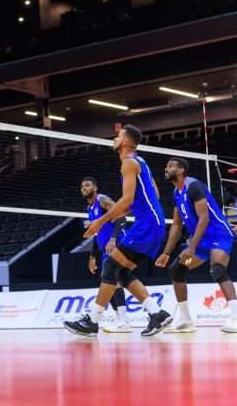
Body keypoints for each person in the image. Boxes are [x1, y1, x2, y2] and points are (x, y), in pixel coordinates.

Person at [65, 125, 172, 337]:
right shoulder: (140, 162)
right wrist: (139, 207)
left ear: (127, 142)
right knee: (121, 272)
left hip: (147, 223)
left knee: (110, 267)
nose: (115, 138)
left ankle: (92, 321)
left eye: (119, 135)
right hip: (153, 222)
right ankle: (157, 313)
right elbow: (155, 193)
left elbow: (127, 200)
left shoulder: (128, 164)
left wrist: (100, 222)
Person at [156, 157, 237, 333]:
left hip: (218, 235)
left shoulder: (194, 186)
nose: (166, 169)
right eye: (166, 166)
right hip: (201, 240)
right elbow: (176, 225)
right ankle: (186, 320)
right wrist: (166, 253)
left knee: (217, 269)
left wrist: (191, 247)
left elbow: (204, 218)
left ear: (181, 170)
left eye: (170, 166)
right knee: (177, 270)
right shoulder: (176, 193)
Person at [80, 177, 130, 333]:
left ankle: (123, 320)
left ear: (95, 188)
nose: (84, 188)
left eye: (87, 185)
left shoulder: (102, 200)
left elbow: (121, 216)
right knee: (110, 281)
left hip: (118, 242)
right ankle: (120, 319)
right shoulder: (89, 209)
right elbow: (96, 232)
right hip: (105, 248)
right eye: (82, 186)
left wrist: (114, 239)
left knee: (113, 281)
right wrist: (92, 256)